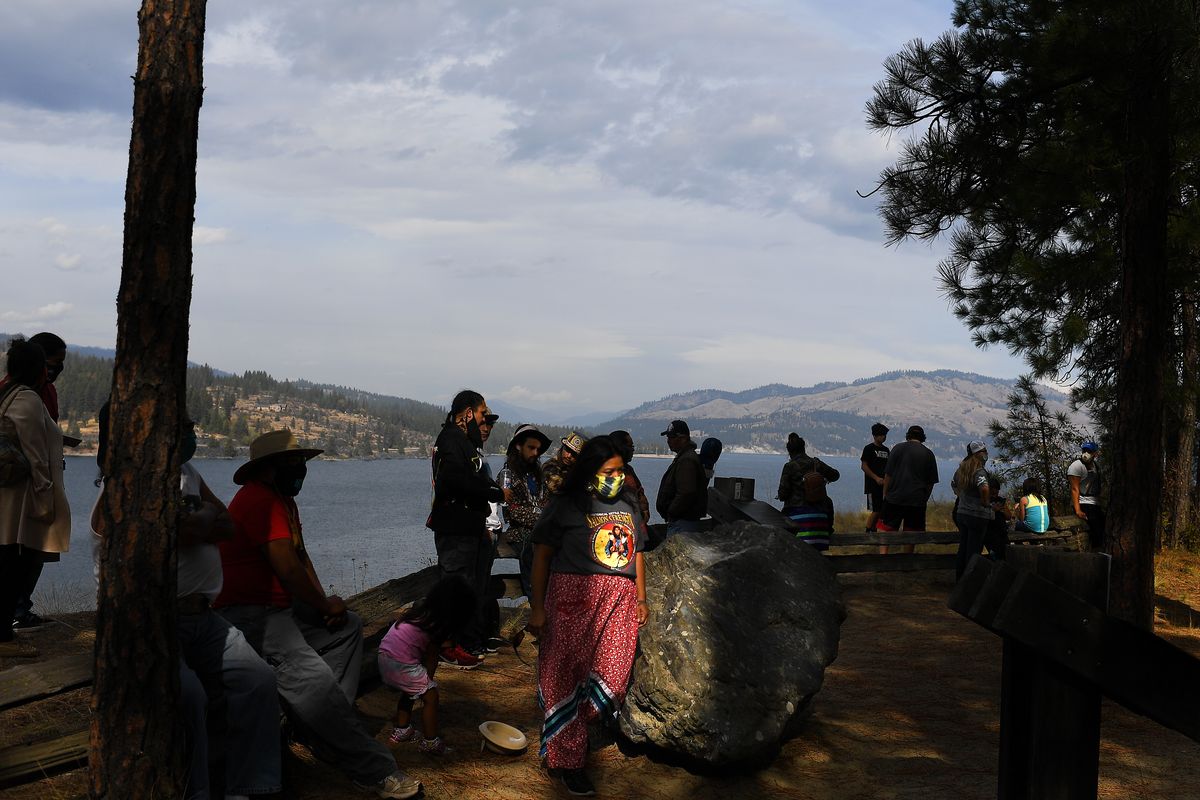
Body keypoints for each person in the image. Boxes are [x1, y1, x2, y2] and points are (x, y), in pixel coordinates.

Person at [216, 429, 421, 800]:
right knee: (313, 682)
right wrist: (322, 604)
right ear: (269, 468)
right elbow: (287, 569)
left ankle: (317, 726)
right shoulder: (258, 501)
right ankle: (374, 770)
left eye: (302, 463)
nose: (300, 470)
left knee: (346, 629)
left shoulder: (282, 502)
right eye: (292, 463)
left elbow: (301, 557)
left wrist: (324, 606)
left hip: (278, 608)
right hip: (252, 615)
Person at [92, 403, 281, 799]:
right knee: (189, 695)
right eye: (185, 426)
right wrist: (199, 520)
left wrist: (200, 518)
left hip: (205, 618)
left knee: (258, 679)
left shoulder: (187, 474)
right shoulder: (130, 483)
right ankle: (195, 791)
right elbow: (186, 532)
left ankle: (246, 787)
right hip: (151, 621)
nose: (192, 433)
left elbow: (226, 525)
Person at [527, 435, 648, 797]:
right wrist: (536, 607)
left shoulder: (629, 504)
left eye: (621, 470)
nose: (617, 476)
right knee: (564, 673)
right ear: (590, 470)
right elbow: (542, 556)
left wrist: (641, 597)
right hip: (572, 597)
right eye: (609, 470)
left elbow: (638, 552)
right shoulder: (565, 504)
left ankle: (568, 730)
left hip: (619, 602)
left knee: (614, 676)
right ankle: (567, 760)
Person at [427, 390, 511, 667]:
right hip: (454, 528)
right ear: (467, 413)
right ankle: (446, 646)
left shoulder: (464, 443)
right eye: (483, 414)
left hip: (468, 528)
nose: (485, 419)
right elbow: (454, 480)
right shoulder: (451, 439)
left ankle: (466, 642)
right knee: (454, 587)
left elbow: (469, 479)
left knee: (468, 587)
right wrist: (495, 492)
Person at [0, 339, 70, 659]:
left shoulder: (6, 392)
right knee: (14, 562)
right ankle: (3, 634)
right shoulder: (26, 399)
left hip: (9, 494)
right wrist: (46, 497)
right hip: (19, 498)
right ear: (39, 368)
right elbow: (36, 455)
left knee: (9, 562)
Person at [379, 575, 477, 756]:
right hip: (400, 664)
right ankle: (430, 742)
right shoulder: (434, 625)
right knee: (430, 696)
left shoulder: (418, 614)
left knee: (410, 690)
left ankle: (402, 730)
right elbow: (431, 658)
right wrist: (428, 683)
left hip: (385, 659)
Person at [502, 424, 552, 599]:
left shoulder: (538, 475)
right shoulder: (507, 476)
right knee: (532, 554)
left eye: (538, 449)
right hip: (520, 534)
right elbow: (513, 511)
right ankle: (536, 606)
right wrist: (544, 519)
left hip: (543, 532)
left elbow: (547, 502)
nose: (535, 453)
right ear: (518, 446)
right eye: (531, 448)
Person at [878, 425, 940, 555]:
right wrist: (925, 498)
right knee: (911, 532)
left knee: (886, 529)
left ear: (908, 436)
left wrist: (885, 494)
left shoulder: (897, 448)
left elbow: (888, 475)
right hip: (917, 500)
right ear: (922, 437)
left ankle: (882, 557)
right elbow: (931, 482)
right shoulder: (929, 454)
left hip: (894, 497)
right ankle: (907, 560)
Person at [656, 420, 708, 536]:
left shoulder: (687, 460)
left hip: (683, 523)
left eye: (672, 437)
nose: (668, 441)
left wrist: (672, 512)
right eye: (668, 437)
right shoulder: (685, 457)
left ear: (683, 438)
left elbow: (686, 492)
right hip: (682, 522)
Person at [952, 442, 994, 579]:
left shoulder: (962, 469)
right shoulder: (979, 471)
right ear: (977, 454)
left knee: (963, 548)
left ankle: (960, 579)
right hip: (977, 515)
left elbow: (954, 484)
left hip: (962, 513)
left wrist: (961, 496)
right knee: (974, 550)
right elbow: (984, 488)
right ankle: (970, 581)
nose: (986, 453)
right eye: (984, 451)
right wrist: (985, 502)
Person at [777, 433, 840, 516]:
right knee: (828, 502)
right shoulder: (816, 463)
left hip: (795, 513)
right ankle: (828, 528)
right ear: (803, 448)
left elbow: (782, 495)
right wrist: (824, 480)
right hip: (820, 511)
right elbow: (836, 475)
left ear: (789, 451)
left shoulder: (789, 467)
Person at [783, 471, 835, 551]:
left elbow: (783, 522)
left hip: (797, 545)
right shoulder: (827, 503)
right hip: (821, 544)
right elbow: (830, 526)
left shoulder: (793, 504)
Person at [1068, 442, 1105, 551]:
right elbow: (1074, 489)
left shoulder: (1096, 466)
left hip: (1095, 504)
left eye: (1089, 451)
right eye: (1084, 451)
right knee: (1095, 533)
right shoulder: (1076, 466)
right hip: (1083, 503)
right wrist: (1078, 510)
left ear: (1095, 454)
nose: (1085, 453)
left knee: (1101, 532)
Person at [608, 430, 650, 522]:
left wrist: (644, 514)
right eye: (630, 446)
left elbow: (640, 495)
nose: (633, 450)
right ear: (620, 448)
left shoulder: (629, 470)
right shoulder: (605, 473)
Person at [860, 423, 890, 532]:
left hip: (884, 485)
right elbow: (864, 466)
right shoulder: (869, 448)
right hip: (872, 486)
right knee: (876, 510)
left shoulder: (886, 450)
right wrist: (876, 478)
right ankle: (868, 531)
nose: (884, 437)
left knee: (882, 510)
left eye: (885, 435)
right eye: (882, 435)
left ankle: (874, 530)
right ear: (875, 436)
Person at [543, 431, 586, 496]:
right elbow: (556, 488)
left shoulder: (576, 469)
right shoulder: (550, 466)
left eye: (574, 454)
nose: (569, 456)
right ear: (562, 448)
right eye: (567, 450)